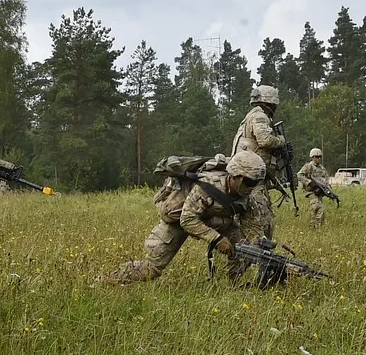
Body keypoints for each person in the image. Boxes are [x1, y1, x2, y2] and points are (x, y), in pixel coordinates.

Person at [99, 151, 266, 284]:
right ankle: (107, 280)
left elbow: (253, 226)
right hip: (180, 219)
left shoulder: (247, 196)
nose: (251, 188)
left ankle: (231, 284)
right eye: (249, 182)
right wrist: (216, 239)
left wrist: (256, 245)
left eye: (256, 183)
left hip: (214, 220)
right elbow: (187, 219)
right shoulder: (208, 186)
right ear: (234, 175)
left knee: (246, 248)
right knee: (152, 269)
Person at [230, 84, 283, 239]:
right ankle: (257, 256)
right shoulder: (260, 116)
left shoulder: (250, 116)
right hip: (251, 179)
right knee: (261, 222)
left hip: (249, 178)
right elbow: (265, 140)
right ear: (270, 103)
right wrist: (280, 140)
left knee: (255, 221)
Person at [297, 147, 329, 228]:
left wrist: (327, 189)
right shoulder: (308, 166)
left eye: (320, 157)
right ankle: (315, 227)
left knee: (318, 211)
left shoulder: (322, 169)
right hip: (311, 192)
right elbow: (299, 175)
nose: (319, 159)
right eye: (317, 157)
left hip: (319, 192)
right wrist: (309, 182)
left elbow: (326, 179)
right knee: (318, 208)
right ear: (313, 157)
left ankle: (315, 227)